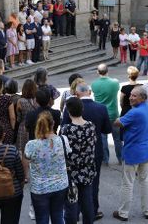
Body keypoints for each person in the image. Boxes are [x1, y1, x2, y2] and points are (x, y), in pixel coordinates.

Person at [61, 83, 111, 220]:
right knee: (92, 187)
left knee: (72, 190)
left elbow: (62, 133)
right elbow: (107, 130)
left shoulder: (68, 112)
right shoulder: (100, 110)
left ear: (76, 94)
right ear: (89, 92)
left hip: (72, 164)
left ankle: (75, 214)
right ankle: (93, 211)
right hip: (92, 156)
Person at [113, 86, 148, 221]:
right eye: (131, 95)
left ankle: (123, 213)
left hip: (133, 152)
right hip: (147, 150)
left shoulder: (134, 112)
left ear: (142, 97)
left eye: (134, 96)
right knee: (145, 181)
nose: (130, 97)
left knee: (127, 183)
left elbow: (117, 122)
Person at [25, 112, 71, 224]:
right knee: (58, 216)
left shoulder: (31, 145)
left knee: (42, 219)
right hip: (60, 186)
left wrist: (25, 177)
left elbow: (25, 163)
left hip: (39, 189)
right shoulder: (63, 140)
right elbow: (68, 155)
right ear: (53, 123)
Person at [60, 98, 97, 224]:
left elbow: (63, 150)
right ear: (82, 109)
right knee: (87, 202)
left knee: (71, 204)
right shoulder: (91, 126)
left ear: (68, 111)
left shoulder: (66, 129)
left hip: (71, 171)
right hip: (87, 169)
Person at [91, 63, 122, 165]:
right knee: (117, 138)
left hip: (100, 114)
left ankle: (105, 160)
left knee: (103, 138)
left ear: (97, 72)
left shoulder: (94, 84)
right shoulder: (115, 83)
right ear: (107, 71)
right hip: (113, 114)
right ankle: (120, 158)